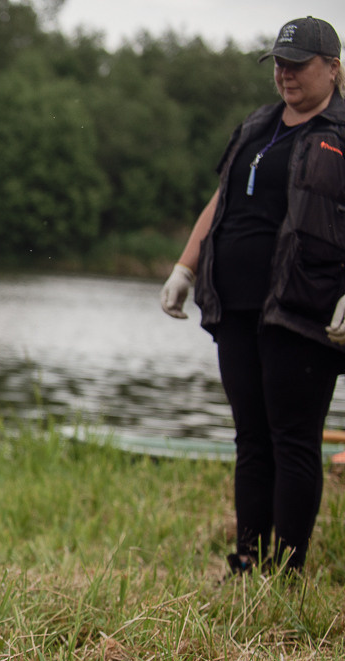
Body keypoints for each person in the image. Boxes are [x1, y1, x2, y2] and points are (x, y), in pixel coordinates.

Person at [160, 16, 345, 577]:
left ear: (333, 69)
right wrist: (185, 267)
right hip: (237, 305)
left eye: (298, 64)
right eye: (279, 64)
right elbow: (221, 200)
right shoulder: (258, 125)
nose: (285, 75)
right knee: (252, 438)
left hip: (305, 309)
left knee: (294, 440)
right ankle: (248, 561)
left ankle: (284, 574)